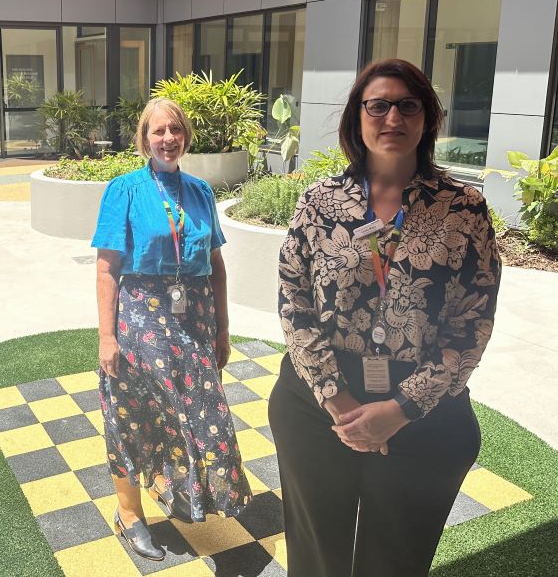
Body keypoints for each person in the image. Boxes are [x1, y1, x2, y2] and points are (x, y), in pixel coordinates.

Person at [268, 58, 501, 576]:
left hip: (424, 410)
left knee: (395, 559)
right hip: (317, 403)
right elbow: (293, 302)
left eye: (407, 105)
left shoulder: (463, 208)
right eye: (378, 105)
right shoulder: (320, 201)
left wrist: (399, 408)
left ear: (426, 119)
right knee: (316, 555)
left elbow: (472, 322)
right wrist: (339, 401)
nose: (392, 117)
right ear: (358, 118)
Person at [92, 98, 252, 561]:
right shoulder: (123, 190)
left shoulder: (201, 191)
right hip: (140, 319)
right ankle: (129, 513)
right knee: (134, 415)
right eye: (159, 131)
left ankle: (173, 484)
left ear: (185, 137)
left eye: (175, 130)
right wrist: (107, 336)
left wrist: (222, 329)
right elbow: (106, 269)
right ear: (144, 138)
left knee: (204, 416)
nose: (168, 138)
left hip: (195, 319)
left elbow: (216, 265)